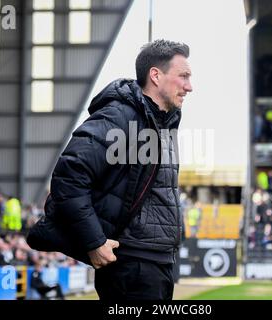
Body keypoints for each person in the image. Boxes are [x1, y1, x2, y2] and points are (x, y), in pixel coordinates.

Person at [45, 39, 192, 301]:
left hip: (155, 262)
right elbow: (69, 177)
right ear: (155, 76)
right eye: (183, 76)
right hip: (132, 265)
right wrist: (94, 241)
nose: (189, 86)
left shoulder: (164, 121)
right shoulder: (119, 117)